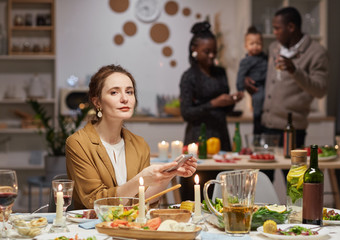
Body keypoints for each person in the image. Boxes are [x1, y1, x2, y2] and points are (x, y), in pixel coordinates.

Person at [66, 64, 197, 209]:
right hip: (92, 228)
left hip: (131, 227)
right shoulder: (78, 143)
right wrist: (141, 179)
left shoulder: (139, 144)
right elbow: (94, 201)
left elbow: (142, 199)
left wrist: (169, 173)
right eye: (114, 92)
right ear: (97, 102)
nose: (125, 99)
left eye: (129, 92)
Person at [244, 7, 328, 181]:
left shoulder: (316, 52)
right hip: (266, 127)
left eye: (277, 28)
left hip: (292, 131)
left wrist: (294, 70)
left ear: (291, 27)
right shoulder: (275, 47)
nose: (274, 32)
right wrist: (250, 82)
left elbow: (320, 90)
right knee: (262, 184)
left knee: (295, 185)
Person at [179, 21, 243, 200]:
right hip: (198, 139)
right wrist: (213, 103)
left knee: (223, 191)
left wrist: (232, 100)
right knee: (195, 192)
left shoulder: (220, 73)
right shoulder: (189, 76)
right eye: (206, 51)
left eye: (214, 51)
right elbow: (186, 113)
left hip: (221, 136)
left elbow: (226, 109)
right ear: (194, 50)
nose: (212, 55)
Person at [236, 26, 267, 135]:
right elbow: (241, 75)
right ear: (246, 46)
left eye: (258, 44)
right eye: (252, 44)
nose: (255, 47)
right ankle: (257, 123)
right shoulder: (246, 61)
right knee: (258, 103)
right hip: (256, 87)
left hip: (267, 85)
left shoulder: (265, 57)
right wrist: (240, 89)